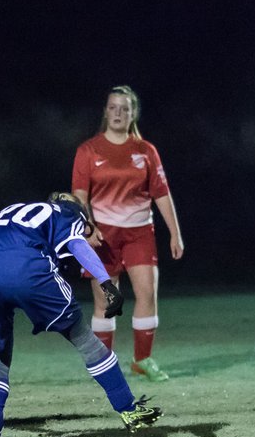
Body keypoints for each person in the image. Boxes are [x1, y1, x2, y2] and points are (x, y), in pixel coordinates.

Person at [0, 193, 162, 437]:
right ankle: (129, 409)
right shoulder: (68, 212)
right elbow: (77, 244)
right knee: (84, 339)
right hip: (27, 268)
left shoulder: (11, 209)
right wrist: (106, 284)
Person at [71, 85, 184, 381]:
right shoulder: (88, 150)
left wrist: (175, 232)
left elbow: (161, 193)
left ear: (134, 113)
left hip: (139, 233)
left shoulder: (146, 151)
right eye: (113, 107)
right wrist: (87, 227)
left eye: (125, 108)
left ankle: (142, 360)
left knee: (147, 294)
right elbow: (79, 195)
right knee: (106, 302)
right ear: (105, 112)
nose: (118, 113)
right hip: (101, 235)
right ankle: (103, 365)